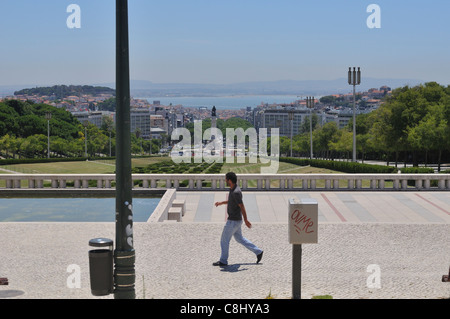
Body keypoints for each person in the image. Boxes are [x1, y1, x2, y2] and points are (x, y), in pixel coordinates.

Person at [213, 172, 263, 267]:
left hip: (233, 221)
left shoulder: (236, 192)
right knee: (240, 239)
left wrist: (246, 220)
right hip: (236, 221)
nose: (225, 181)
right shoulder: (233, 189)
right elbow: (232, 201)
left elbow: (242, 206)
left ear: (230, 180)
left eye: (226, 179)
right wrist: (221, 203)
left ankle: (223, 261)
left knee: (224, 240)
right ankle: (258, 252)